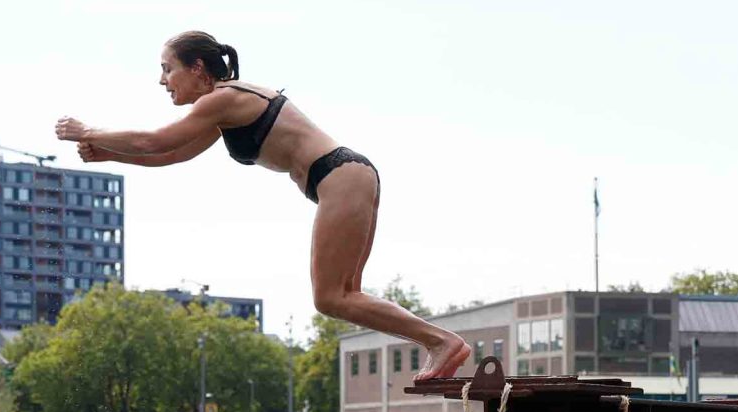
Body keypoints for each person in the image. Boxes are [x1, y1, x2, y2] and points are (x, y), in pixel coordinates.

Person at [56, 30, 473, 379]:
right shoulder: (221, 110)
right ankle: (439, 344)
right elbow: (174, 153)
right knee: (345, 295)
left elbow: (156, 139)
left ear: (197, 68)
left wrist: (89, 130)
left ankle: (441, 342)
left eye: (168, 69)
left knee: (330, 298)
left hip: (338, 176)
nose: (162, 81)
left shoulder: (223, 98)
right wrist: (112, 155)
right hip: (346, 177)